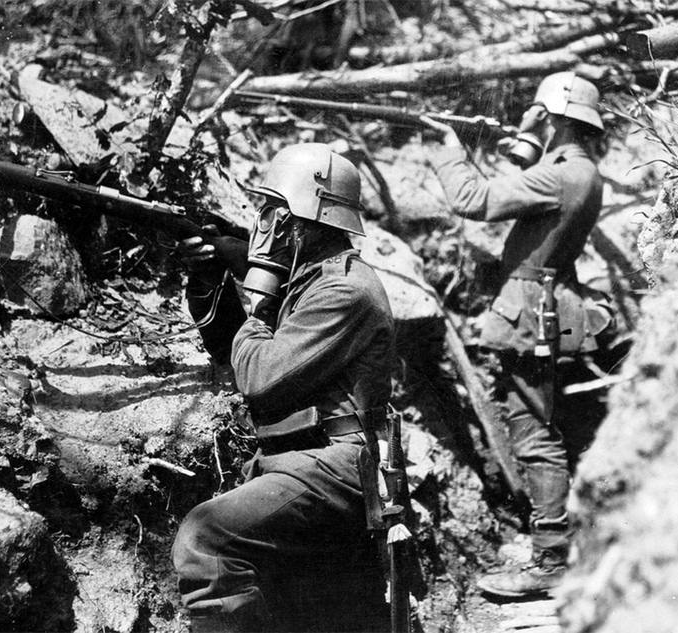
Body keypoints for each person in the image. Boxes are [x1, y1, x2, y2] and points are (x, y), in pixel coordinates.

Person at [172, 143, 396, 632]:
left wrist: (259, 288)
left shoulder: (344, 290)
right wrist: (210, 282)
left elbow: (258, 379)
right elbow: (232, 354)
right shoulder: (310, 281)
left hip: (334, 465)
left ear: (304, 220)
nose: (261, 224)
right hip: (294, 459)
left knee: (205, 538)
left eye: (272, 211)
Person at [422, 72, 615, 599]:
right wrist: (529, 140)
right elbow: (533, 193)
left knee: (534, 435)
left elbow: (474, 200)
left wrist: (447, 149)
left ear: (552, 117)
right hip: (551, 309)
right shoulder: (577, 171)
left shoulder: (561, 176)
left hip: (530, 316)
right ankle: (560, 540)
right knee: (550, 429)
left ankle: (551, 557)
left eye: (539, 115)